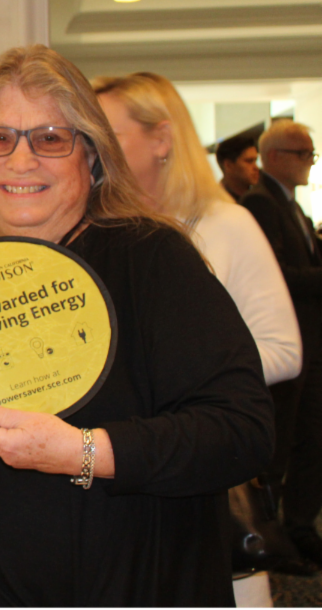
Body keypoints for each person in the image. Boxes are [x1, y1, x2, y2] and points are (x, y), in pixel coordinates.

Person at [0, 45, 274, 606]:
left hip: (138, 586)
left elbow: (241, 431)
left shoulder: (152, 259)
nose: (20, 160)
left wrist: (84, 452)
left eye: (50, 138)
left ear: (94, 156)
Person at [94, 71, 302, 604]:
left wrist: (178, 382)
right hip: (125, 483)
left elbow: (284, 350)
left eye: (107, 135)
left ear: (161, 139)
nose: (92, 151)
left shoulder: (225, 225)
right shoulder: (100, 236)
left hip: (203, 472)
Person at [241, 119, 322, 569]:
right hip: (285, 343)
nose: (310, 161)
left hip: (309, 341)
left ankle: (300, 528)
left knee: (311, 437)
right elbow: (278, 278)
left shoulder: (293, 206)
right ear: (275, 157)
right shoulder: (260, 203)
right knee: (280, 443)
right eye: (303, 153)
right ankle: (270, 536)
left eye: (312, 153)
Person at [218, 133, 262, 203]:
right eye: (249, 161)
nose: (256, 168)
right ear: (228, 165)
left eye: (255, 161)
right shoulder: (215, 201)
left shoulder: (261, 198)